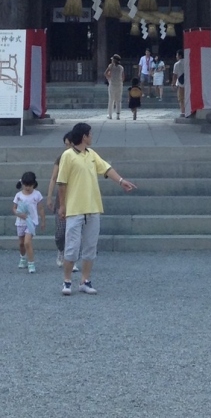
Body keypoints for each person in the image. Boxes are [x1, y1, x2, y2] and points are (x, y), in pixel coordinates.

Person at [56, 121, 136, 295]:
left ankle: (85, 280)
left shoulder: (91, 154)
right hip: (75, 208)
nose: (92, 136)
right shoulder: (67, 155)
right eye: (90, 134)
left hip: (93, 206)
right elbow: (61, 182)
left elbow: (106, 169)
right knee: (71, 247)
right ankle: (67, 281)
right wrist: (62, 205)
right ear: (84, 136)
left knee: (90, 247)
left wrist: (121, 181)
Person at [46, 135, 72, 267]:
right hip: (61, 197)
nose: (67, 147)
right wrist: (49, 196)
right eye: (66, 144)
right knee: (60, 233)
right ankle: (61, 250)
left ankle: (71, 258)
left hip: (76, 198)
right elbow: (54, 178)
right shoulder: (61, 158)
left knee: (74, 232)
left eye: (69, 144)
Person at [13, 171, 46, 274]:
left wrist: (43, 220)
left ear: (34, 184)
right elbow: (14, 208)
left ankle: (31, 263)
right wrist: (19, 214)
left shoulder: (37, 194)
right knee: (21, 243)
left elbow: (40, 208)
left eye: (30, 185)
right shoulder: (18, 195)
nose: (27, 188)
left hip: (31, 221)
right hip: (20, 221)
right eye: (26, 185)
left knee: (27, 242)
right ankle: (22, 257)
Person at [105, 54, 125, 119]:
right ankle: (118, 115)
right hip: (119, 84)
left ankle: (110, 115)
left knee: (111, 100)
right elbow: (123, 77)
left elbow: (105, 73)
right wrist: (121, 81)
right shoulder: (121, 67)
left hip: (112, 84)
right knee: (118, 100)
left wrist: (109, 79)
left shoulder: (111, 66)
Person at [171, 49, 186, 116]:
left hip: (181, 83)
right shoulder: (187, 62)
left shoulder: (177, 64)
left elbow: (175, 75)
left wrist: (173, 83)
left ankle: (183, 111)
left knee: (181, 98)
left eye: (177, 55)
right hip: (188, 83)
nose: (176, 56)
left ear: (179, 56)